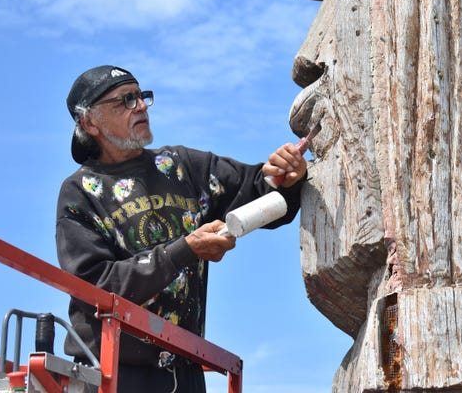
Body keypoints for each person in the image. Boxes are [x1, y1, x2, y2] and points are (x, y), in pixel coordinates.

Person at [55, 65, 307, 392]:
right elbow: (94, 284)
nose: (142, 106)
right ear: (89, 122)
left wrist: (287, 175)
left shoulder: (180, 166)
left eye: (142, 97)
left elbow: (258, 190)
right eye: (125, 101)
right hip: (111, 371)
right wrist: (183, 251)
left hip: (184, 367)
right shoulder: (80, 192)